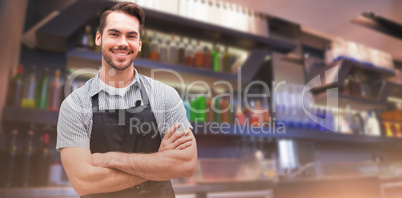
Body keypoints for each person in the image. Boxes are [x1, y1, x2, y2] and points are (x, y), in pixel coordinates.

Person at [56, 2, 197, 197]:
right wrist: (159, 162)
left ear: (139, 43)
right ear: (99, 38)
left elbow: (186, 164)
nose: (123, 42)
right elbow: (83, 182)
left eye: (131, 36)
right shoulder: (75, 105)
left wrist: (111, 159)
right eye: (114, 34)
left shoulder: (165, 96)